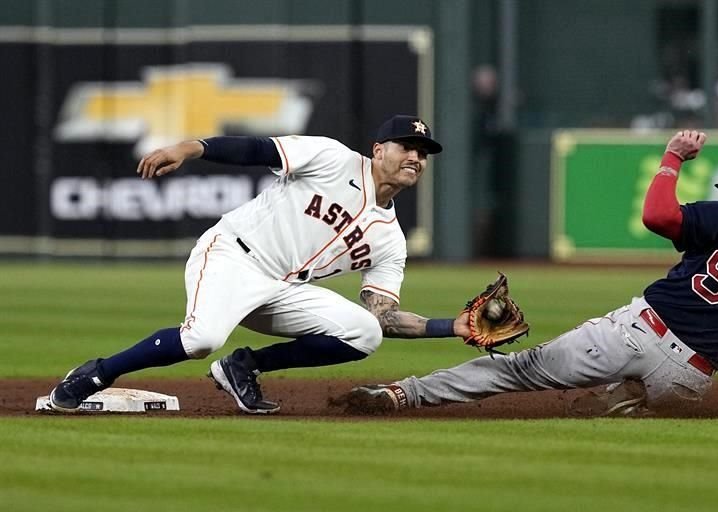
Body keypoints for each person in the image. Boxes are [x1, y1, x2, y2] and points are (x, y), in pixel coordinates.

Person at [338, 130, 718, 418]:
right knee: (610, 400)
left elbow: (657, 214)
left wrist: (670, 158)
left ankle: (403, 393)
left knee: (516, 371)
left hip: (636, 333)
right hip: (689, 380)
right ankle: (626, 399)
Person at [49, 115, 477, 414]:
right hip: (232, 255)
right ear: (379, 149)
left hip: (282, 289)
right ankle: (97, 373)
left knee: (364, 333)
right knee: (201, 339)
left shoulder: (390, 240)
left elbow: (381, 317)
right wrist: (192, 148)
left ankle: (244, 366)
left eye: (424, 153)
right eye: (408, 147)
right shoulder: (332, 158)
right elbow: (258, 149)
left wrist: (450, 327)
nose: (416, 158)